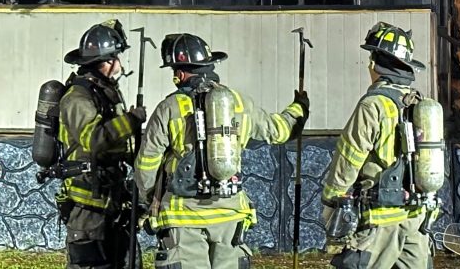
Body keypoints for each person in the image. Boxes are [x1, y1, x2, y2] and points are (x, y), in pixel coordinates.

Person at [134, 33, 309, 269]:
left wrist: (149, 202)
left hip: (183, 217)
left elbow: (147, 164)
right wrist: (299, 108)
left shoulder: (169, 108)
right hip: (231, 214)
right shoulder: (238, 103)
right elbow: (279, 131)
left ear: (180, 74)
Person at [322, 22, 441, 269]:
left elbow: (348, 159)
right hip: (415, 219)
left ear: (377, 64)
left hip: (380, 221)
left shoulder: (374, 106)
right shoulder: (418, 105)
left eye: (371, 57)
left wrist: (331, 205)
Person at [58, 19, 146, 269]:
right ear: (104, 62)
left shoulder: (105, 93)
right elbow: (94, 139)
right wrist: (131, 120)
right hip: (87, 207)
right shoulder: (77, 97)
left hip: (110, 200)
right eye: (115, 58)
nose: (120, 64)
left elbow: (117, 143)